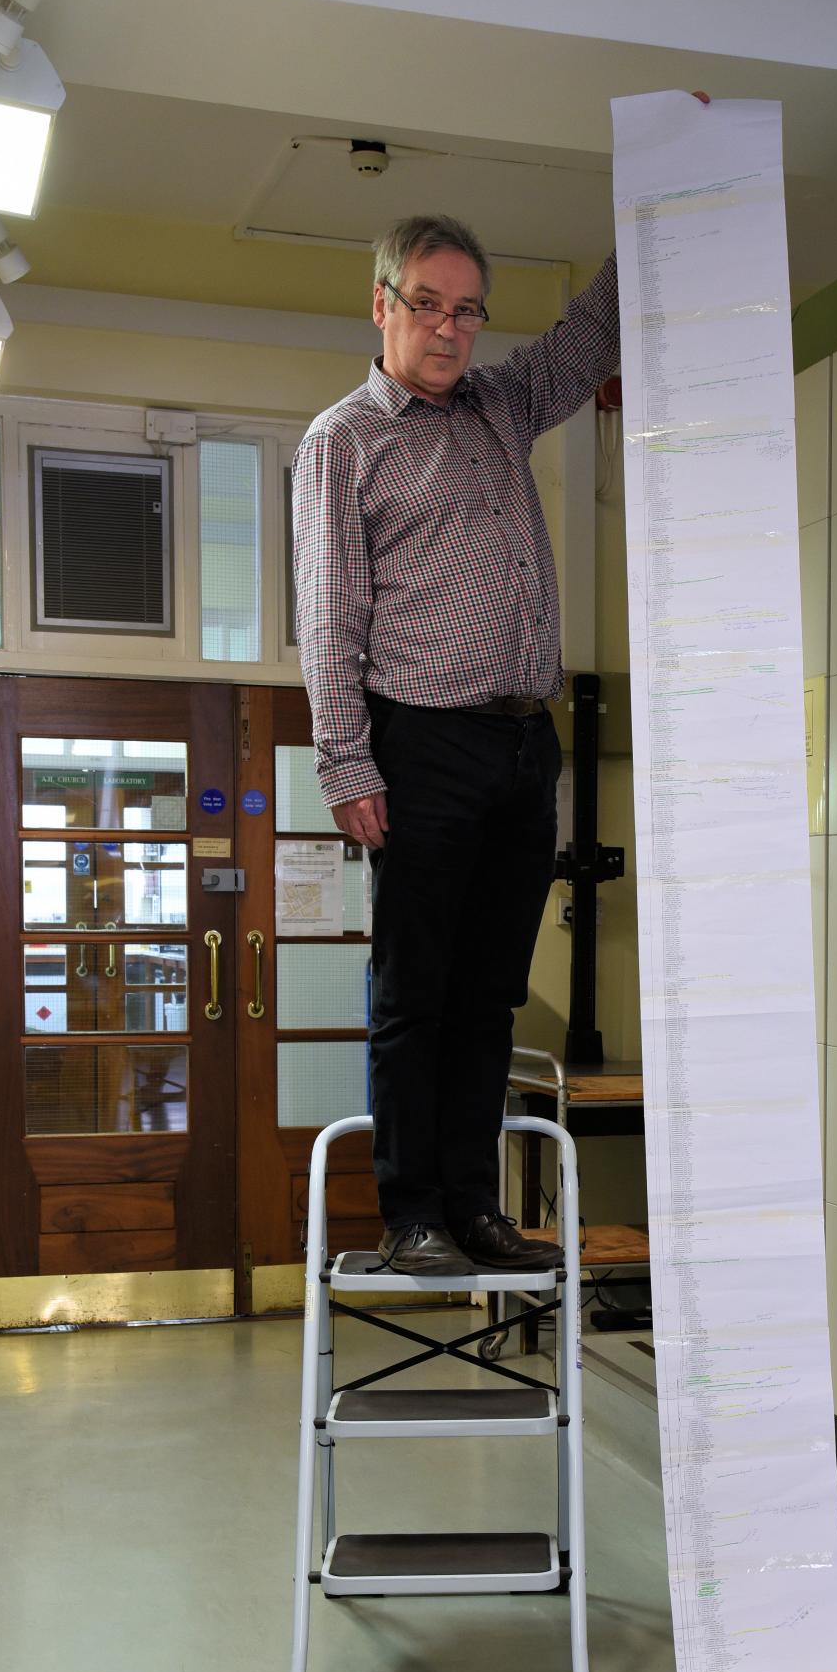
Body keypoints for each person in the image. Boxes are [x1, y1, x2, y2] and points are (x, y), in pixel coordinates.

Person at [292, 213, 621, 1276]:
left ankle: (477, 1206)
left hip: (526, 747)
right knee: (415, 990)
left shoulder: (498, 408)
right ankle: (413, 1213)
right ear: (381, 305)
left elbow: (585, 338)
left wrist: (663, 200)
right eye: (426, 304)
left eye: (466, 309)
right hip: (420, 745)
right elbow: (331, 613)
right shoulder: (343, 440)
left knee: (490, 994)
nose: (447, 329)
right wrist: (346, 760)